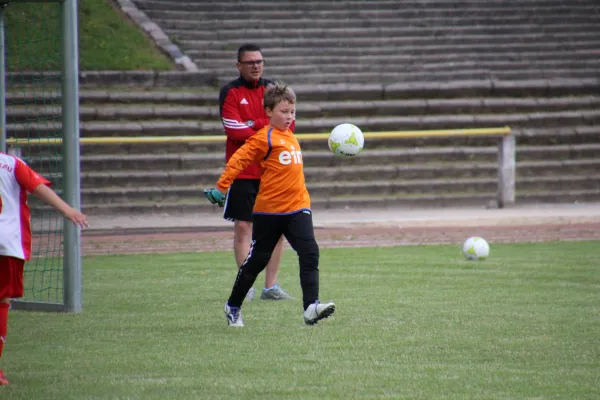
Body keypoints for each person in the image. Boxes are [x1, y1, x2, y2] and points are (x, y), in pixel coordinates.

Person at [205, 83, 336, 327]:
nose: (289, 117)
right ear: (268, 111)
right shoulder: (263, 138)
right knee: (257, 261)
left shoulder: (290, 137)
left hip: (298, 206)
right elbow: (238, 160)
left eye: (293, 111)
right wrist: (221, 188)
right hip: (269, 211)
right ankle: (233, 305)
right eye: (284, 111)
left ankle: (310, 307)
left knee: (309, 251)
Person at [0, 152, 88, 385]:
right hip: (7, 243)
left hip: (7, 243)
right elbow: (38, 187)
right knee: (2, 302)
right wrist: (67, 210)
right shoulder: (11, 163)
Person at [218, 43, 293, 301]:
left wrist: (253, 124)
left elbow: (287, 124)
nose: (256, 66)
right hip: (242, 173)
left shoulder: (273, 89)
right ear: (239, 66)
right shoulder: (230, 92)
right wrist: (265, 128)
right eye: (250, 62)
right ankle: (246, 286)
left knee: (277, 229)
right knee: (243, 227)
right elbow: (233, 129)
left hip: (272, 172)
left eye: (259, 61)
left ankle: (270, 287)